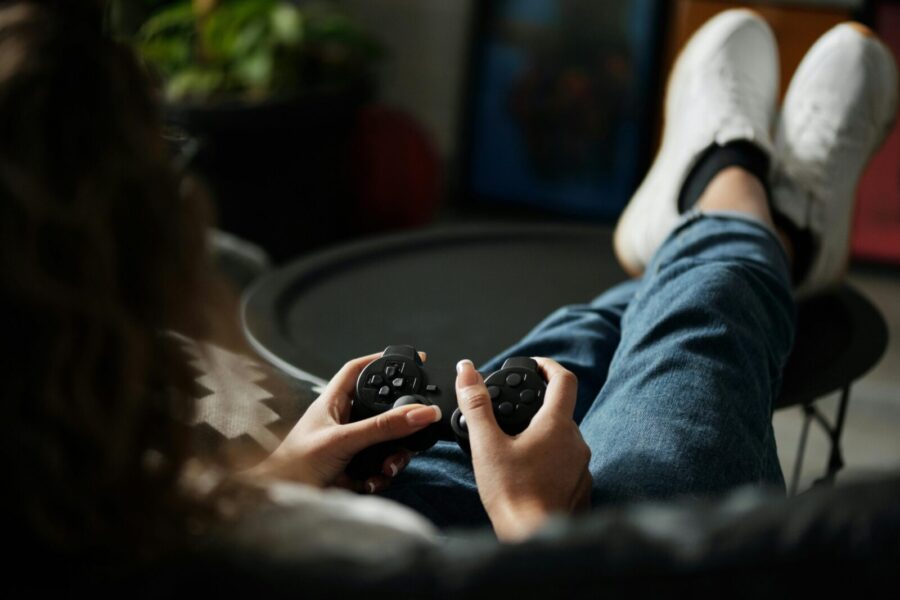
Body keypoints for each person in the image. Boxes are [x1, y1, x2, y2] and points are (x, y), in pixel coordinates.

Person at [2, 1, 896, 583]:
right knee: (694, 338)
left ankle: (738, 221)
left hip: (307, 523)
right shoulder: (345, 561)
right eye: (173, 167)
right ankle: (746, 200)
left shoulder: (92, 513)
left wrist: (275, 481)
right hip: (525, 557)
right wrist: (535, 523)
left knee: (571, 352)